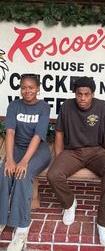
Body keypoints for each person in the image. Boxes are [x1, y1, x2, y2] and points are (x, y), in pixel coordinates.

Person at [47, 76, 105, 247]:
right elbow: (59, 133)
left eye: (87, 94)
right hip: (72, 152)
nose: (83, 98)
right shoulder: (66, 107)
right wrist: (59, 157)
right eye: (79, 94)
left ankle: (103, 224)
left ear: (93, 94)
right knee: (53, 174)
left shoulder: (102, 106)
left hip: (97, 151)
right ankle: (69, 203)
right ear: (75, 93)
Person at [0, 73, 51, 251]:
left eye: (31, 87)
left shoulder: (44, 107)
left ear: (38, 88)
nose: (26, 91)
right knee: (4, 171)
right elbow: (10, 132)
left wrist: (24, 162)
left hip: (38, 150)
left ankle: (22, 226)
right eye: (23, 87)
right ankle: (1, 219)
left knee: (23, 174)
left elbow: (38, 136)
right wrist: (10, 159)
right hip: (17, 148)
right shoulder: (14, 105)